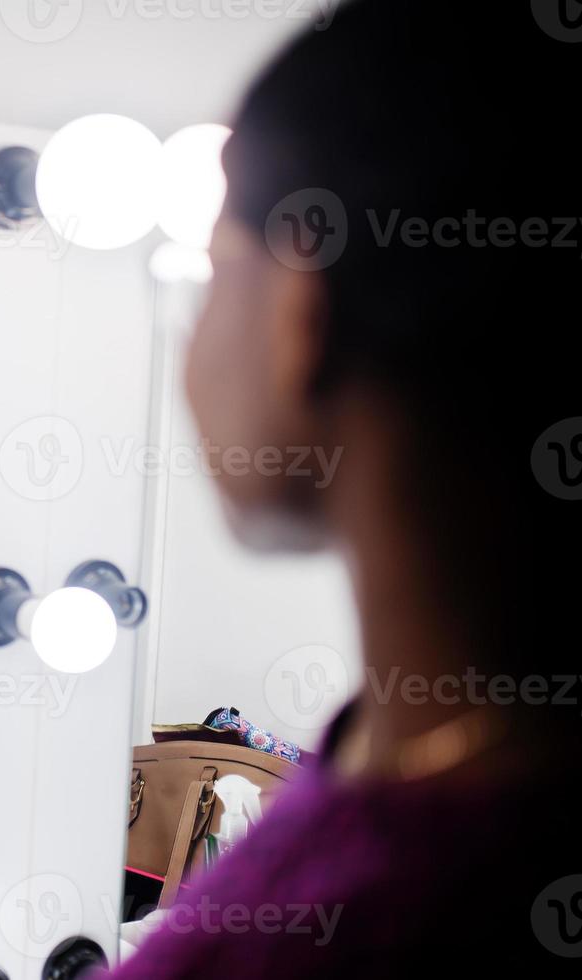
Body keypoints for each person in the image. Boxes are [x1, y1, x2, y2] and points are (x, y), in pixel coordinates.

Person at [101, 1, 578, 975]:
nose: (194, 334)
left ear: (296, 316)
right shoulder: (396, 756)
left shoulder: (376, 920)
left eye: (211, 270)